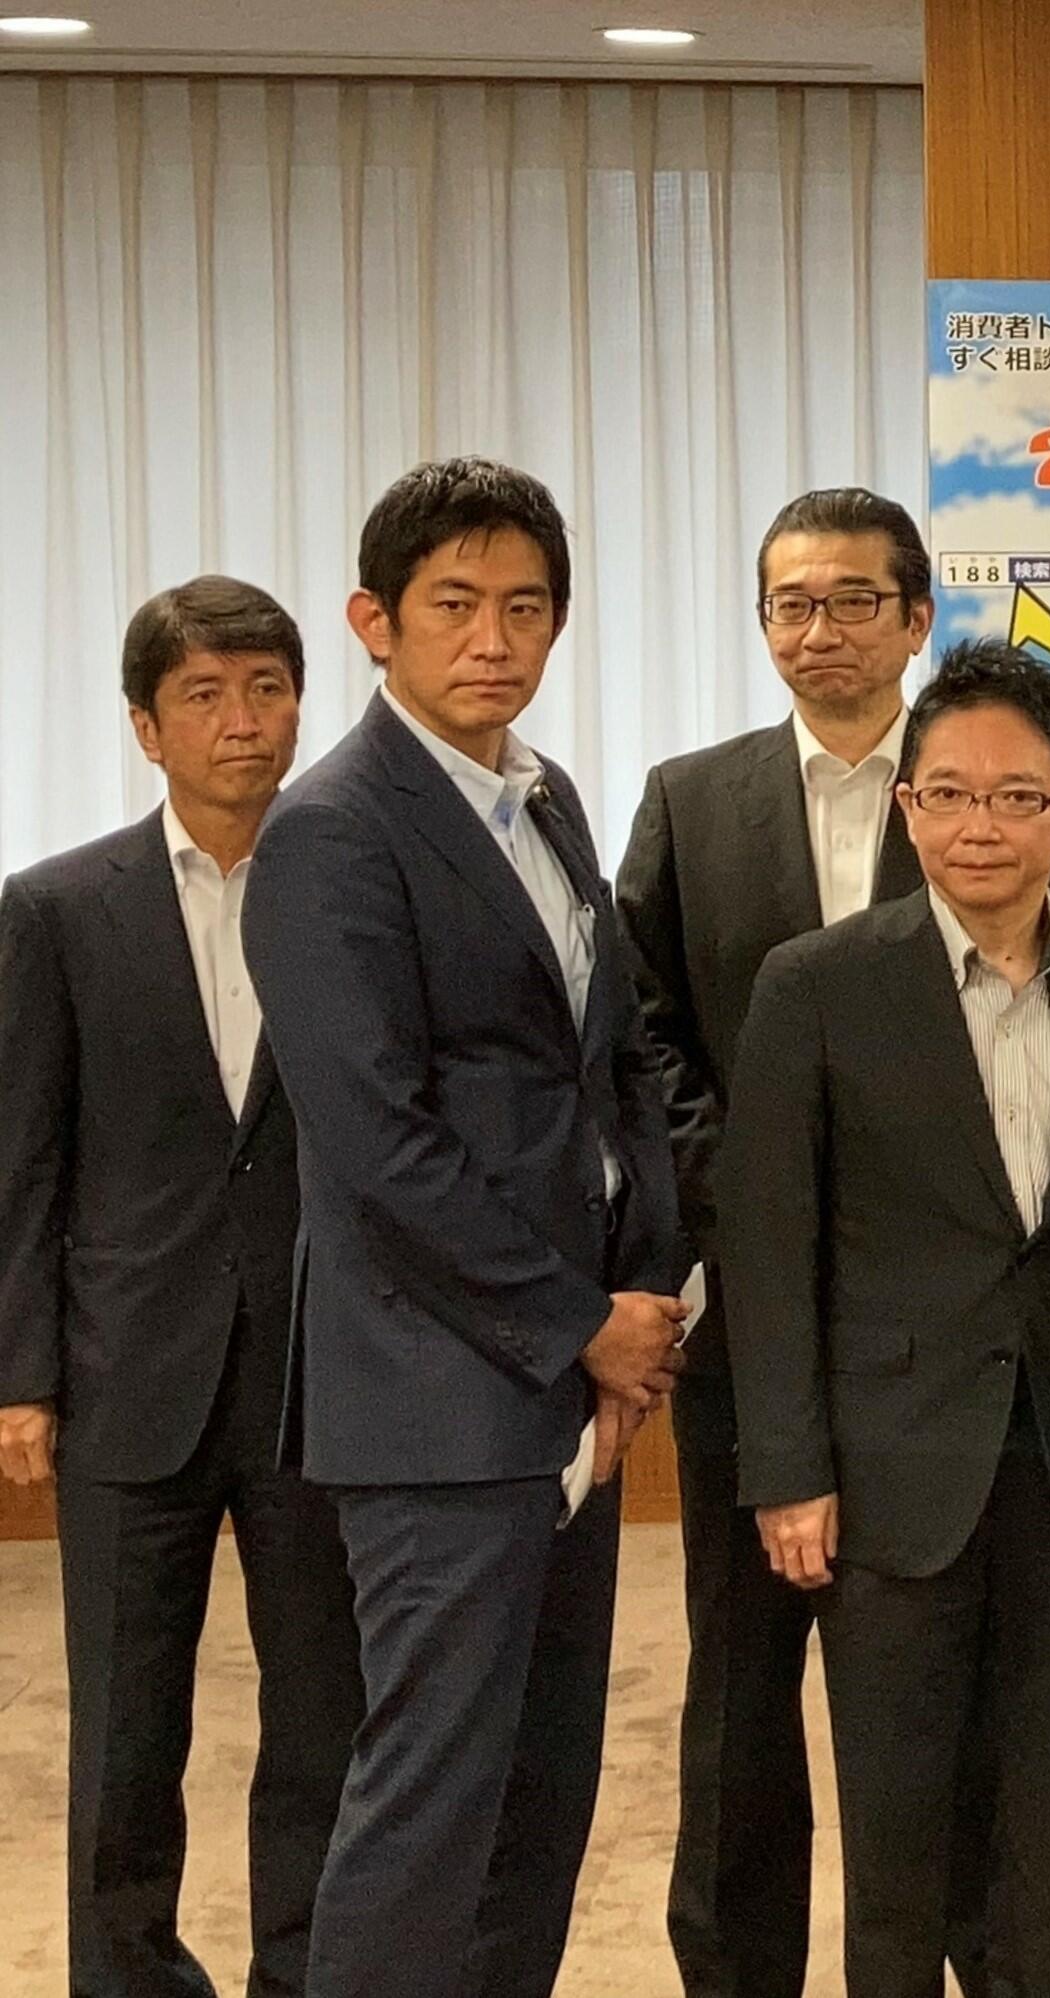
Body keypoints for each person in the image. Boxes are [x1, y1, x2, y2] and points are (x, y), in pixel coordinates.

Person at [240, 457, 691, 1998]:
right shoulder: (334, 831)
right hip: (436, 1392)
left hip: (578, 1375)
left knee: (539, 1796)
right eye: (453, 604)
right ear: (375, 620)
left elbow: (613, 1060)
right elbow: (378, 1145)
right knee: (425, 1798)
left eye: (525, 605)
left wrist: (644, 1293)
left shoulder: (547, 797)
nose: (493, 637)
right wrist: (574, 1320)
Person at [723, 639, 1050, 1998]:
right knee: (899, 1820)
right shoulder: (814, 981)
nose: (982, 826)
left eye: (1019, 797)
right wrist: (788, 1467)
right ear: (906, 805)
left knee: (1047, 1815)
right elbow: (766, 1238)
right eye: (950, 794)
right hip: (886, 1468)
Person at [617, 486, 1010, 1998]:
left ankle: (962, 1950)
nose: (819, 629)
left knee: (943, 1668)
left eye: (855, 599)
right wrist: (752, 1180)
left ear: (916, 621)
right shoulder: (689, 798)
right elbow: (640, 1034)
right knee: (740, 1665)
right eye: (791, 602)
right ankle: (735, 1968)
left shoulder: (987, 788)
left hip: (947, 1317)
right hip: (754, 1302)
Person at [0, 578, 362, 1997]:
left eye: (267, 686)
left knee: (323, 1711)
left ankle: (305, 1966)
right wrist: (22, 1371)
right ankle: (129, 1974)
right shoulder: (56, 907)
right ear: (147, 726)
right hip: (127, 1374)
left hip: (319, 1372)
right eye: (206, 695)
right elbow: (23, 1157)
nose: (243, 722)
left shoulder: (358, 882)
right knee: (125, 1729)